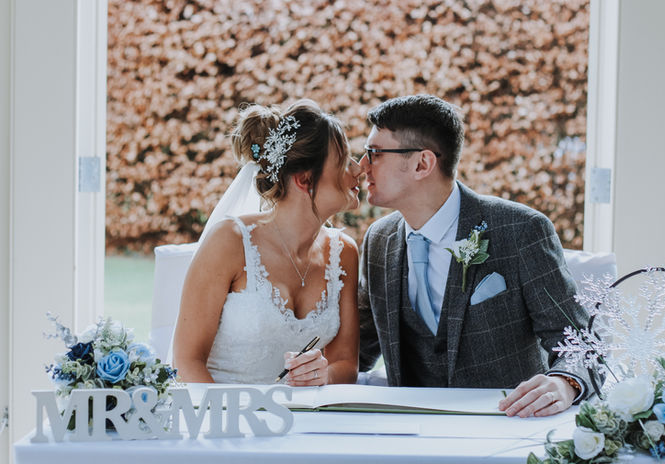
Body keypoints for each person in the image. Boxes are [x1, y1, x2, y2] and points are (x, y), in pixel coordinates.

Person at [358, 94, 593, 417]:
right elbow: (360, 349)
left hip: (509, 425)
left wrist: (564, 382)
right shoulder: (379, 240)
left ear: (422, 164)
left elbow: (581, 343)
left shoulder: (521, 230)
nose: (362, 166)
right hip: (411, 429)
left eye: (374, 153)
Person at [173, 99, 361, 386]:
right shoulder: (230, 242)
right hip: (220, 409)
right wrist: (233, 414)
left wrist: (324, 374)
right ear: (304, 180)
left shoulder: (344, 253)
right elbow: (186, 363)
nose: (358, 169)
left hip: (305, 414)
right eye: (345, 161)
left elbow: (346, 363)